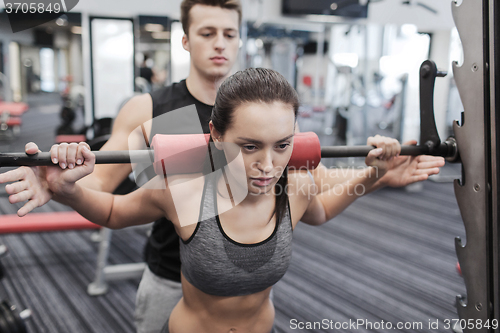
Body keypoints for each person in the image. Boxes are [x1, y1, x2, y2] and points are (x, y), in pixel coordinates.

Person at [1, 2, 445, 333]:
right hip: (173, 274)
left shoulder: (263, 108)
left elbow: (311, 186)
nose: (219, 43)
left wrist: (377, 175)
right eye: (208, 32)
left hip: (251, 276)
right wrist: (63, 187)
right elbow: (108, 187)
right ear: (186, 38)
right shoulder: (154, 110)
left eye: (229, 34)